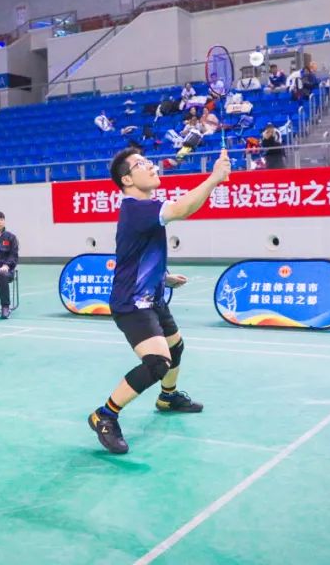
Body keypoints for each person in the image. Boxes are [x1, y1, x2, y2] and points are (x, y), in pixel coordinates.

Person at [88, 146, 231, 455]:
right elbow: (182, 209)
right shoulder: (136, 208)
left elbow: (136, 254)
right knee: (157, 362)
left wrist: (163, 277)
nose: (152, 166)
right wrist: (214, 179)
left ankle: (168, 397)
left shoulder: (143, 208)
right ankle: (105, 415)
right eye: (141, 164)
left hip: (151, 297)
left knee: (175, 347)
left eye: (148, 161)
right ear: (127, 180)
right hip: (131, 303)